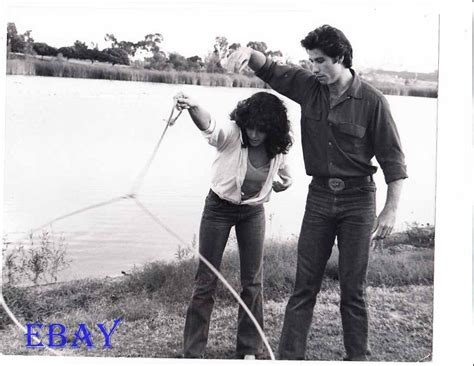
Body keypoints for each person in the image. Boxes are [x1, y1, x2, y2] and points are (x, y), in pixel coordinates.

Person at [224, 24, 407, 361]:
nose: (314, 68)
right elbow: (273, 71)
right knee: (303, 287)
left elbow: (393, 160)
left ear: (341, 57)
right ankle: (290, 358)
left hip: (359, 201)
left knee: (353, 291)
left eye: (320, 61)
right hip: (319, 197)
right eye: (310, 61)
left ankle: (358, 358)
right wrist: (249, 53)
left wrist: (391, 209)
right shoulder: (310, 88)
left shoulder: (373, 102)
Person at [174, 91, 293, 359]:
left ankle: (249, 348)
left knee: (252, 282)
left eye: (260, 130)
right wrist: (194, 106)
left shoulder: (277, 147)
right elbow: (210, 127)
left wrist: (285, 184)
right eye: (249, 126)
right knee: (206, 280)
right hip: (218, 209)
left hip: (252, 213)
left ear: (272, 130)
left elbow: (286, 175)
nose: (253, 134)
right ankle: (193, 352)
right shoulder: (233, 134)